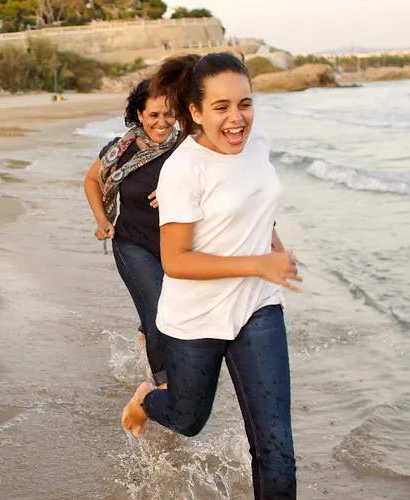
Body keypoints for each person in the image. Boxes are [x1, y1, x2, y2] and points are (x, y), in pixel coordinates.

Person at [121, 53, 301, 499]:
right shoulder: (184, 168)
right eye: (221, 107)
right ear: (196, 112)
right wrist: (258, 262)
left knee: (276, 449)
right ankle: (146, 399)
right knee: (188, 420)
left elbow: (255, 195)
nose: (237, 118)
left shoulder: (258, 146)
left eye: (245, 103)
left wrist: (270, 239)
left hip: (258, 306)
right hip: (196, 317)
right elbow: (177, 260)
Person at [84, 79, 178, 386]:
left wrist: (176, 191)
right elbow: (92, 181)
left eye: (168, 113)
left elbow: (214, 186)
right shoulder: (119, 149)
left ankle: (145, 334)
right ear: (139, 114)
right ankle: (164, 388)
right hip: (132, 243)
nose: (162, 122)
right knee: (159, 316)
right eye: (153, 115)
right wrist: (101, 220)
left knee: (173, 311)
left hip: (177, 248)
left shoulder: (187, 149)